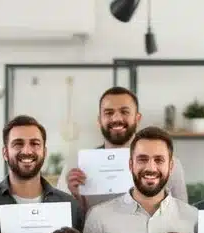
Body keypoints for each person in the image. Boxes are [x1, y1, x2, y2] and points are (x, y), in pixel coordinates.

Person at [59, 86, 188, 212]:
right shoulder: (75, 166)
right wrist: (75, 197)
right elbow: (65, 225)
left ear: (137, 119)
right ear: (99, 120)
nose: (116, 118)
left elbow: (181, 216)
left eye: (124, 112)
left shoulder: (170, 165)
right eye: (109, 113)